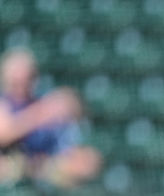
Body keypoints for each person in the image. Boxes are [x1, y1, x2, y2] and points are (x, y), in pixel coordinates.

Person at [0, 48, 101, 187]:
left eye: (28, 78)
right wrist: (42, 113)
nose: (22, 85)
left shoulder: (42, 101)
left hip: (46, 173)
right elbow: (5, 133)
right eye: (16, 81)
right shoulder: (7, 104)